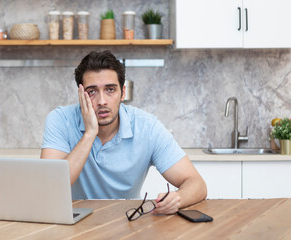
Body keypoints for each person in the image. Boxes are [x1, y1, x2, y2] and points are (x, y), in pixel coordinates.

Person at [41, 50, 207, 215]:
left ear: (123, 92)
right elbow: (49, 188)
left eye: (110, 89)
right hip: (73, 219)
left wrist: (177, 198)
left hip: (126, 219)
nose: (102, 101)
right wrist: (90, 133)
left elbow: (197, 184)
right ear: (81, 95)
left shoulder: (147, 126)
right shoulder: (61, 120)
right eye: (92, 91)